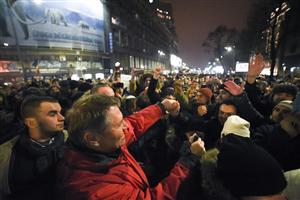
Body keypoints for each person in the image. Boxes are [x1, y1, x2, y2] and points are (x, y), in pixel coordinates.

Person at [56, 94, 205, 200]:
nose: (125, 127)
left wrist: (160, 107)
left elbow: (134, 124)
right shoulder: (97, 191)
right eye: (119, 124)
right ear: (92, 138)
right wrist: (188, 161)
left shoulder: (104, 144)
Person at [0, 95, 66, 200]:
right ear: (31, 122)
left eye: (60, 112)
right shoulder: (6, 153)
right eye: (53, 114)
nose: (62, 118)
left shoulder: (72, 142)